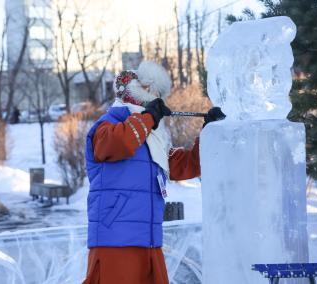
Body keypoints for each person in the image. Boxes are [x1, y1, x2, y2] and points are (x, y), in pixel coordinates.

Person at [83, 61, 225, 284]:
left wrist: (209, 132)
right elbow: (119, 143)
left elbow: (186, 165)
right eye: (148, 91)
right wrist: (149, 118)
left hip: (149, 240)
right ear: (132, 93)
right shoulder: (107, 125)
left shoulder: (152, 136)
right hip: (116, 239)